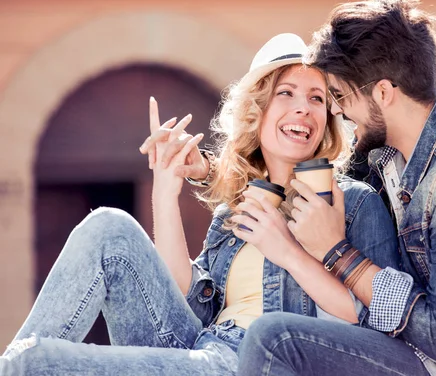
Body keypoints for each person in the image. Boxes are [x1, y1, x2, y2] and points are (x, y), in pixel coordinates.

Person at [0, 33, 400, 375]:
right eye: (286, 93)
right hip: (203, 348)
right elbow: (184, 301)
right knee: (108, 226)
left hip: (255, 361)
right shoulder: (235, 212)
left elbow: (374, 324)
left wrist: (288, 251)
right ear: (256, 113)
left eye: (317, 98)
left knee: (30, 362)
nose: (304, 107)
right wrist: (165, 186)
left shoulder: (353, 203)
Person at [236, 0, 436, 375]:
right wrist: (204, 169)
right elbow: (288, 163)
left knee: (276, 339)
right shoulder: (392, 153)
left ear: (383, 93)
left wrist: (335, 251)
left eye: (338, 95)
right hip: (407, 354)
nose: (335, 111)